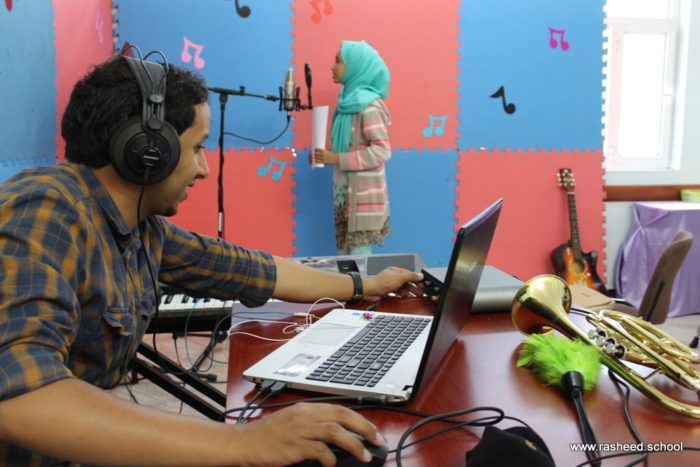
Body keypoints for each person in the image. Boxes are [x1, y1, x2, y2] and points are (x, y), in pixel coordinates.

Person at [0, 54, 422, 466]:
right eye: (197, 147)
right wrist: (246, 442)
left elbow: (249, 269)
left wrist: (362, 285)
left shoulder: (140, 227)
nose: (203, 169)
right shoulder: (43, 211)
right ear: (149, 151)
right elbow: (17, 398)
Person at [312, 40, 391, 256]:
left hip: (364, 200)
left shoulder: (369, 107)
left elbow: (381, 151)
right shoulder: (345, 104)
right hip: (345, 194)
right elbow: (347, 145)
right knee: (345, 257)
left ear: (356, 66)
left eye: (338, 61)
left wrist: (337, 158)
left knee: (359, 257)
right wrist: (324, 155)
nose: (332, 66)